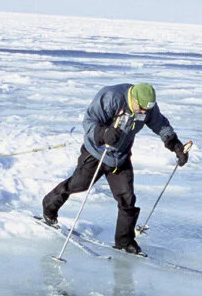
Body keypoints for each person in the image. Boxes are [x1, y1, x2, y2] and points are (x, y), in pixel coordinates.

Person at [41, 82, 189, 255]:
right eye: (140, 108)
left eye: (146, 110)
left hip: (120, 156)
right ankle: (49, 207)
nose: (143, 112)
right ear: (133, 98)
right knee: (79, 184)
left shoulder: (147, 108)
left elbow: (160, 124)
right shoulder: (111, 97)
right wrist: (103, 134)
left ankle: (124, 241)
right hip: (97, 152)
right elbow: (89, 121)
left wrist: (175, 144)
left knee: (127, 199)